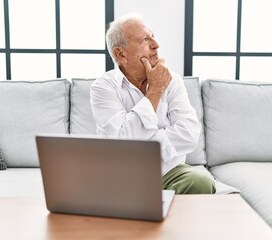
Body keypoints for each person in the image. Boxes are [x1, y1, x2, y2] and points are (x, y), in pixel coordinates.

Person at [90, 13, 215, 194]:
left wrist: (139, 149)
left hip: (168, 172)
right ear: (120, 54)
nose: (156, 45)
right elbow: (122, 141)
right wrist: (155, 89)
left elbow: (189, 134)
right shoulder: (103, 87)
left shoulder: (172, 80)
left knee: (201, 181)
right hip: (121, 174)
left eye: (153, 37)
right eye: (144, 40)